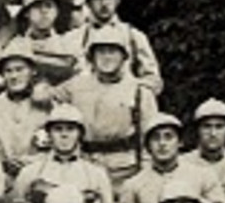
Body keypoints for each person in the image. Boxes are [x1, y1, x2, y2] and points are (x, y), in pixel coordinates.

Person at [59, 27, 157, 192]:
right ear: (92, 57)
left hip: (125, 168)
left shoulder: (139, 91)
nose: (106, 57)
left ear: (123, 57)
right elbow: (47, 98)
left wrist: (146, 175)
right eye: (101, 52)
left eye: (112, 52)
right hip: (85, 166)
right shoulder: (75, 87)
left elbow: (150, 136)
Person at [7, 105, 116, 203]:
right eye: (58, 129)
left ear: (80, 134)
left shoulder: (96, 175)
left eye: (70, 129)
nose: (64, 135)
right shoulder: (30, 173)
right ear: (49, 134)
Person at [116, 112, 225, 203]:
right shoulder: (133, 185)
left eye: (168, 137)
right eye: (155, 138)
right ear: (148, 146)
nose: (162, 143)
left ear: (180, 142)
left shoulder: (203, 175)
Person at [0, 41, 52, 187]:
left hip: (39, 180)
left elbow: (61, 148)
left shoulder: (48, 107)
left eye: (19, 69)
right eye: (8, 71)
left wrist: (31, 162)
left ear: (32, 71)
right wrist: (0, 162)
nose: (14, 76)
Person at [70, 0, 163, 94]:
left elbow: (154, 81)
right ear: (88, 3)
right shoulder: (75, 38)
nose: (104, 3)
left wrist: (129, 86)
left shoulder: (133, 37)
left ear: (117, 0)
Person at [6, 0, 83, 87]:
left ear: (57, 11)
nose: (44, 11)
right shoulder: (16, 46)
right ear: (26, 13)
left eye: (49, 6)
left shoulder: (68, 45)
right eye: (37, 6)